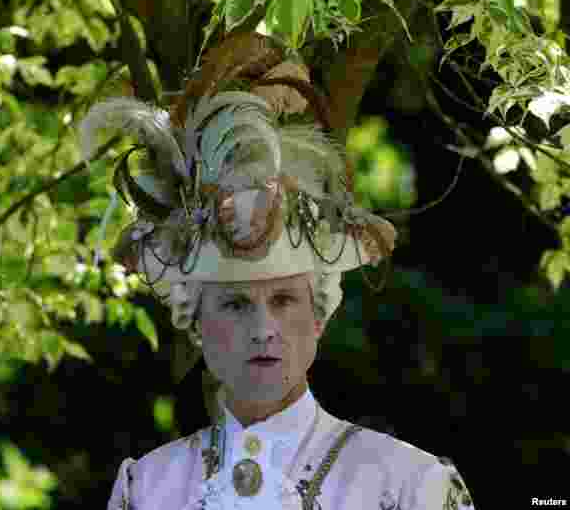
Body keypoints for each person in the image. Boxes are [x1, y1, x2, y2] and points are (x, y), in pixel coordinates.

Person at [78, 31, 475, 509]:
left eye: (284, 300)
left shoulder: (411, 486)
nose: (263, 329)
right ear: (195, 320)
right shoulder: (147, 489)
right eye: (234, 303)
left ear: (319, 313)